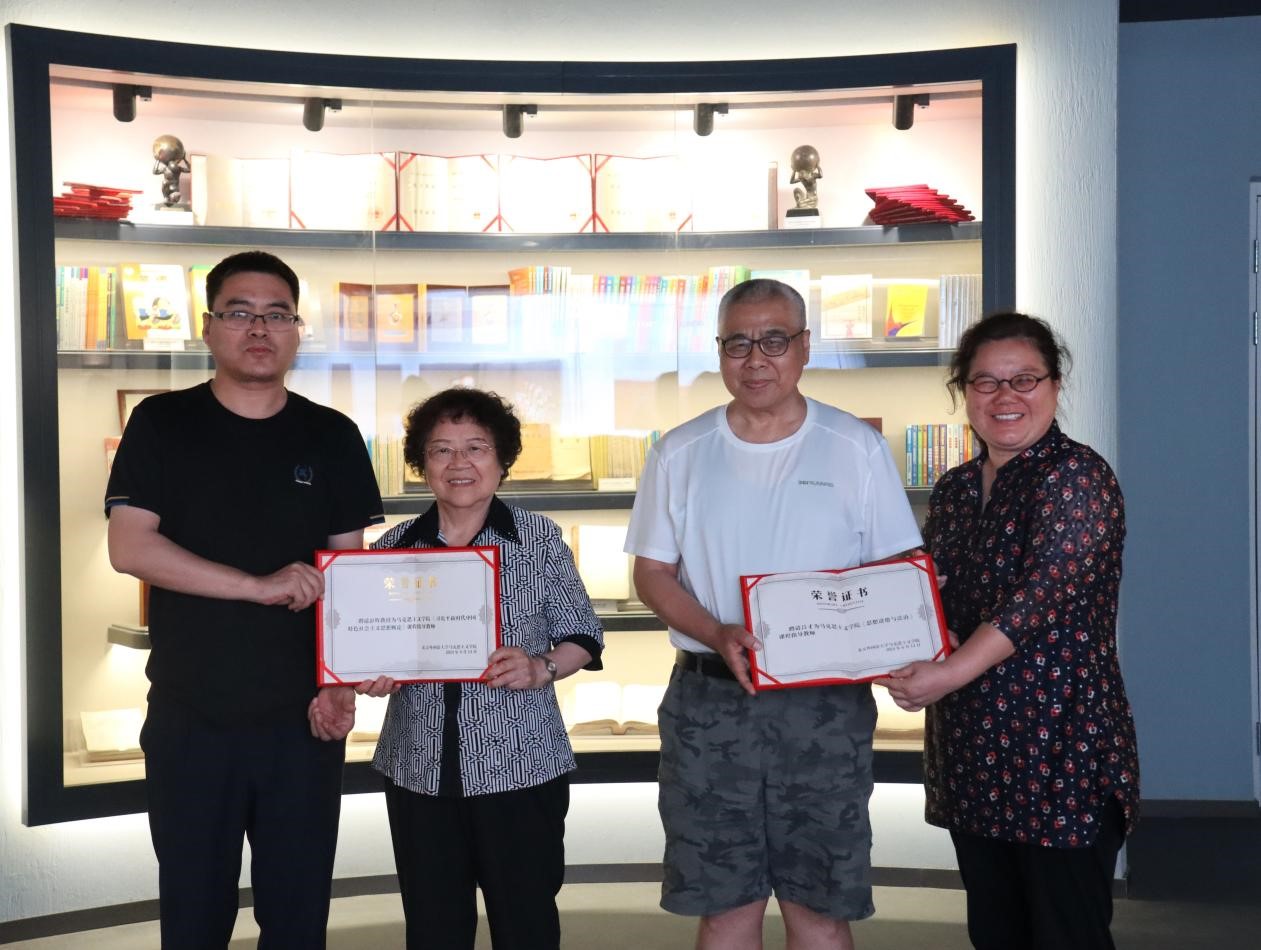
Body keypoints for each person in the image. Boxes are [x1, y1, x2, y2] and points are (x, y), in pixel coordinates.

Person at [625, 278, 922, 949]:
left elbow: (894, 570)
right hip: (710, 705)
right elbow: (651, 574)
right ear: (719, 353)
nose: (755, 358)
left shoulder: (853, 446)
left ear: (804, 347)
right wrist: (716, 631)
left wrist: (900, 641)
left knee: (819, 907)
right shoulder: (680, 451)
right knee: (724, 905)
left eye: (774, 340)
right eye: (737, 343)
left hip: (824, 708)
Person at [105, 250, 385, 948]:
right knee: (194, 917)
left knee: (297, 918)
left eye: (277, 315)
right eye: (240, 312)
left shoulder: (333, 435)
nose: (259, 328)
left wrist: (339, 682)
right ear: (208, 327)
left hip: (303, 723)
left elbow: (348, 573)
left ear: (297, 330)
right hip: (191, 717)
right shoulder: (161, 423)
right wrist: (258, 587)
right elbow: (130, 547)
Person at [879, 312, 1139, 950]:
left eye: (1024, 379)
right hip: (974, 753)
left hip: (1061, 752)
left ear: (1055, 385)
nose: (1005, 397)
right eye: (986, 382)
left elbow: (1038, 599)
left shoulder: (1078, 477)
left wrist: (945, 673)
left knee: (1066, 934)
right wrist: (891, 631)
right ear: (963, 392)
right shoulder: (956, 489)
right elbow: (931, 596)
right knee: (996, 933)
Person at [350, 387, 605, 950]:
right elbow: (370, 646)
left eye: (475, 447)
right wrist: (371, 675)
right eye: (441, 450)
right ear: (421, 464)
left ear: (501, 459)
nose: (458, 463)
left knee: (526, 925)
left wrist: (541, 667)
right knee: (433, 929)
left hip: (521, 765)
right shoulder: (392, 548)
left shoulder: (538, 539)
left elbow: (584, 635)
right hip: (418, 767)